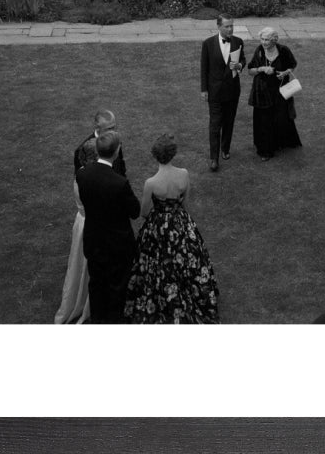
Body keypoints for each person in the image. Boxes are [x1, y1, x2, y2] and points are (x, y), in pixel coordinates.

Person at [123, 134, 220, 324]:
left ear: (155, 155)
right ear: (173, 153)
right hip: (180, 222)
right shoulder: (183, 174)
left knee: (155, 264)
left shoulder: (151, 183)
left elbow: (143, 212)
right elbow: (186, 201)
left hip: (157, 227)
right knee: (188, 259)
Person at [74, 130, 141, 324]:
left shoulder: (83, 175)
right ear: (116, 151)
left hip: (94, 240)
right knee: (117, 289)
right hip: (117, 246)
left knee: (96, 285)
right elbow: (135, 211)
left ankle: (98, 321)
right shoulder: (119, 183)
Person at [247, 26, 301, 161]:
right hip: (262, 92)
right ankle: (265, 150)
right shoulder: (259, 51)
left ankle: (281, 143)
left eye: (267, 40)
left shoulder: (283, 50)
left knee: (280, 118)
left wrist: (285, 73)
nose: (264, 42)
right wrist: (262, 68)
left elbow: (292, 65)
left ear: (274, 40)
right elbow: (250, 70)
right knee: (264, 120)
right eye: (262, 39)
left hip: (280, 90)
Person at [200, 15, 246, 172]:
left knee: (229, 122)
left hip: (232, 90)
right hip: (214, 92)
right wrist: (204, 89)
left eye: (232, 26)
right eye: (227, 26)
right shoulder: (208, 44)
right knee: (214, 125)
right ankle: (214, 158)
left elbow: (243, 61)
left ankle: (225, 149)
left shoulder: (238, 42)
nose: (230, 29)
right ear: (218, 26)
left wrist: (239, 65)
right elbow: (204, 68)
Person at [73, 109, 126, 179]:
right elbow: (80, 178)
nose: (113, 132)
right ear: (97, 127)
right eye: (109, 129)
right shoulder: (82, 150)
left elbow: (120, 164)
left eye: (114, 127)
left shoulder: (115, 140)